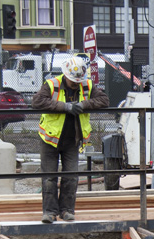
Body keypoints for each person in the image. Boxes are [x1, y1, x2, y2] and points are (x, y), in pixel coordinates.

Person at [32, 56, 109, 223]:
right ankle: (50, 212)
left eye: (78, 81)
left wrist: (83, 105)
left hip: (72, 140)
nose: (76, 84)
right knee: (49, 177)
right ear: (66, 75)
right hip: (50, 139)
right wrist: (64, 107)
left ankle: (66, 210)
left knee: (71, 177)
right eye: (73, 81)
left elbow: (104, 100)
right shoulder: (52, 85)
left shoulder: (86, 85)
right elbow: (37, 102)